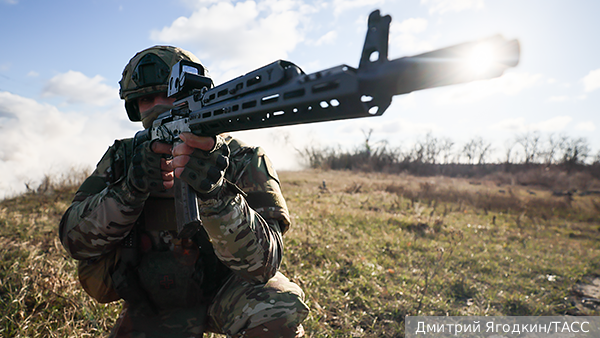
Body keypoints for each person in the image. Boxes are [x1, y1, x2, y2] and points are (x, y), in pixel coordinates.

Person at [59, 45, 309, 337]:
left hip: (225, 292)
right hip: (151, 299)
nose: (159, 105)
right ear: (133, 108)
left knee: (277, 310)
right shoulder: (124, 156)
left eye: (170, 93)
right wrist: (129, 189)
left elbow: (263, 265)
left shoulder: (242, 157)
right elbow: (75, 240)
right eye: (145, 99)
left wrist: (215, 194)